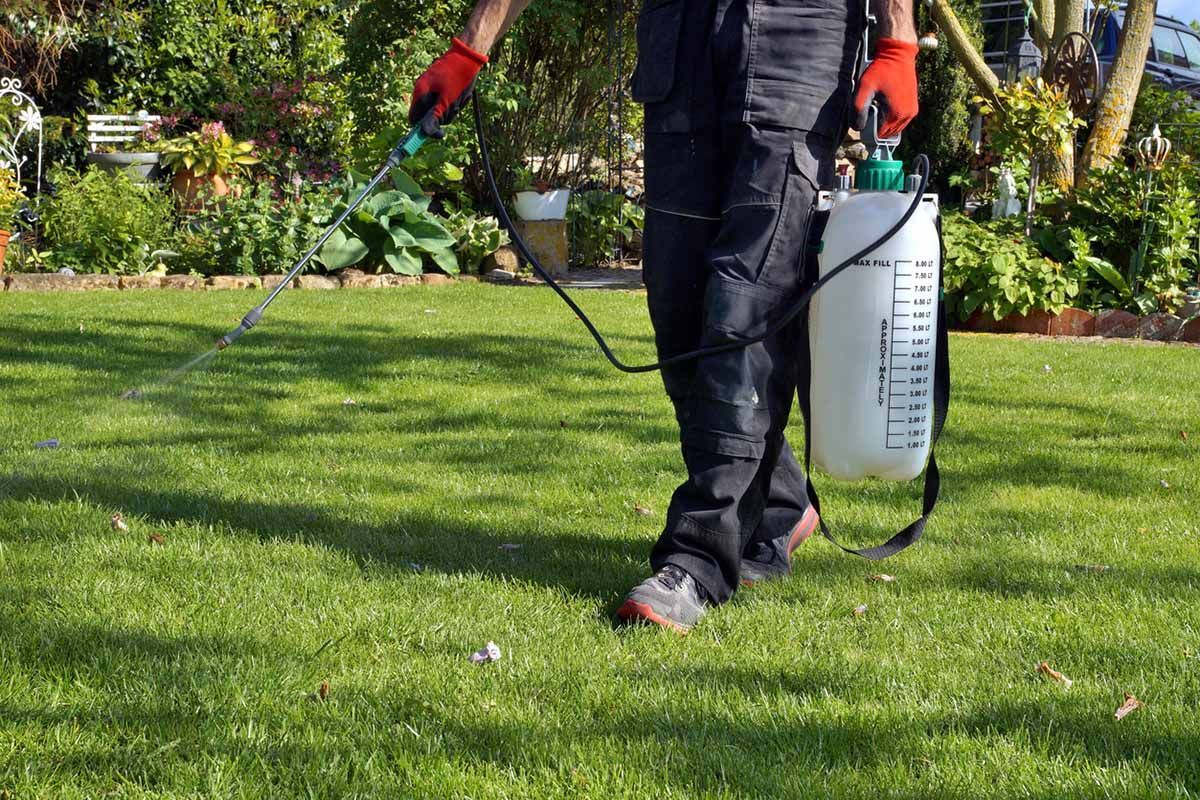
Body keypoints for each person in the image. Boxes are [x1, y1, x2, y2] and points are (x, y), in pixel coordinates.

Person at [409, 0, 919, 632]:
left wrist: (899, 40)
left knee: (744, 304)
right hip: (680, 43)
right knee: (677, 309)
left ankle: (697, 558)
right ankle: (782, 503)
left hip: (798, 38)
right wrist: (468, 50)